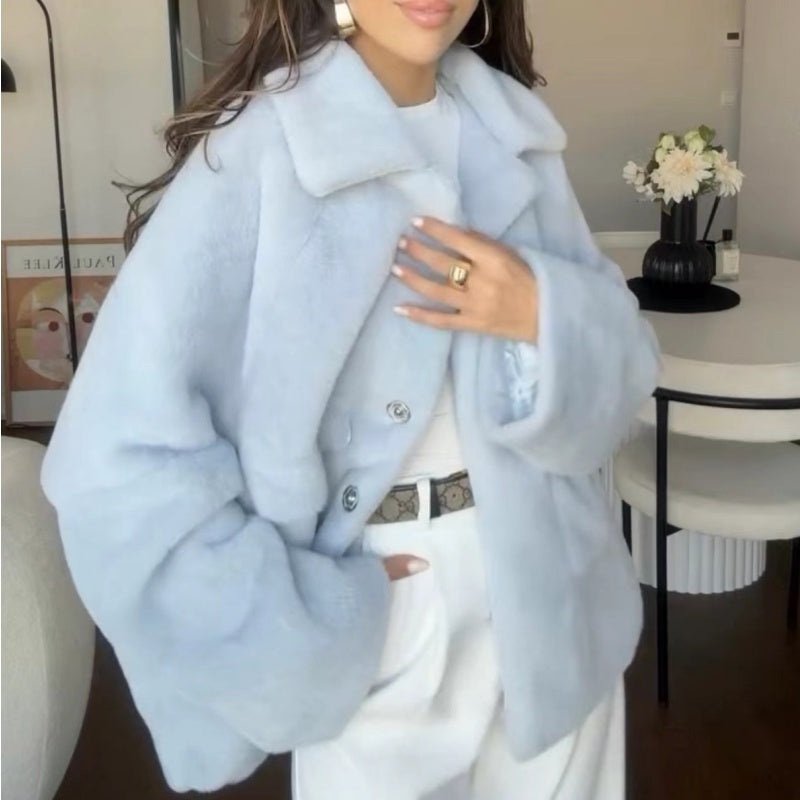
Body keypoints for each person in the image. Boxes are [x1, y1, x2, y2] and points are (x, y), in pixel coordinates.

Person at [40, 0, 661, 797]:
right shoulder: (262, 147)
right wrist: (303, 631)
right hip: (385, 609)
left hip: (553, 598)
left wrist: (540, 310)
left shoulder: (514, 135)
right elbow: (113, 465)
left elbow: (624, 370)